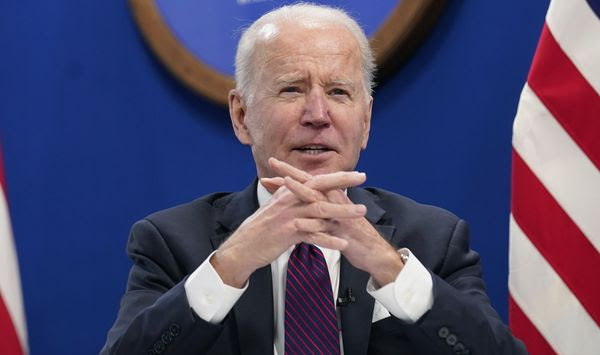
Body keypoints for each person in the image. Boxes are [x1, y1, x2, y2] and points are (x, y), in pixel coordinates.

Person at [101, 4, 526, 355]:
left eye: (339, 92)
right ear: (242, 115)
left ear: (365, 121)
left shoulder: (434, 240)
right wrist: (230, 264)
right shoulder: (171, 243)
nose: (318, 115)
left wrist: (388, 267)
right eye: (291, 90)